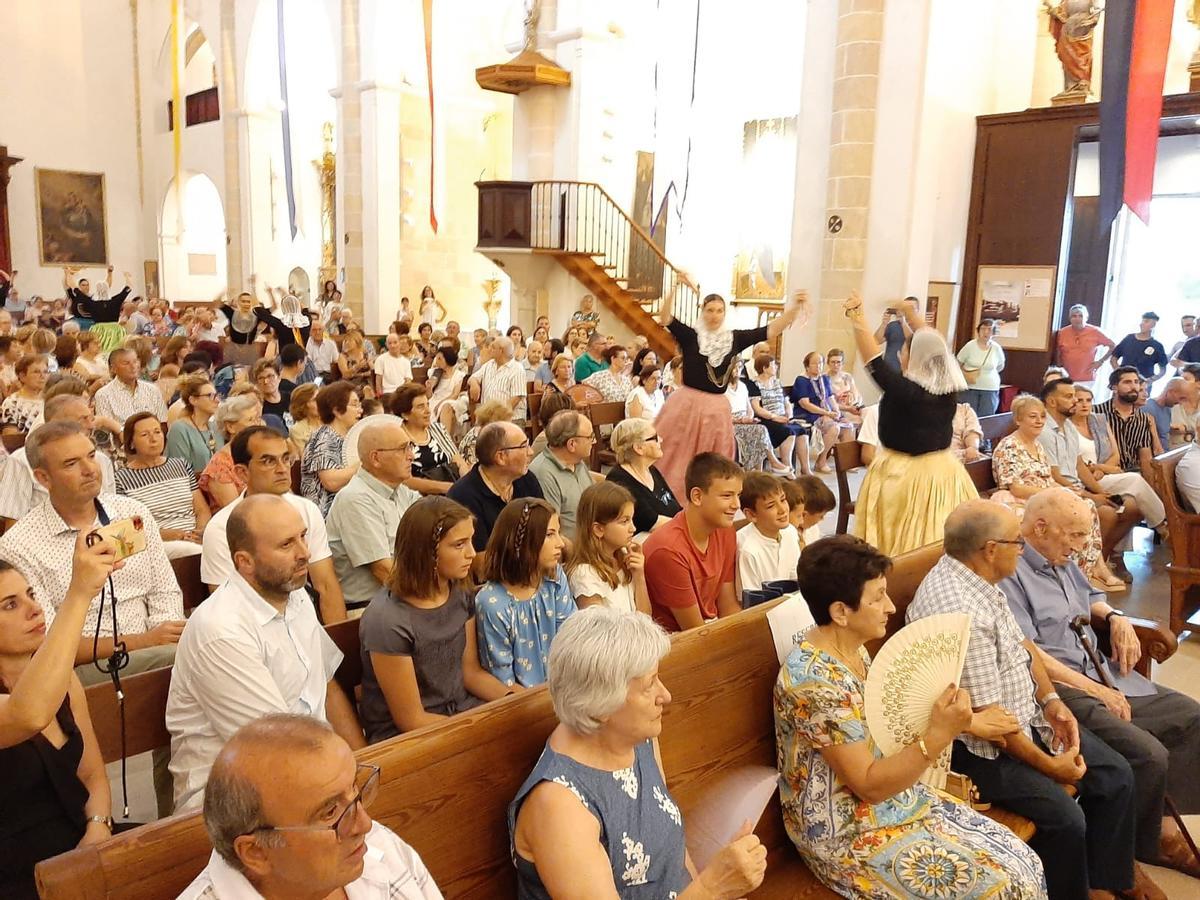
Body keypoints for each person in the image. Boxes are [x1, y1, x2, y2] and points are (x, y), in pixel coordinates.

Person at [775, 534, 1047, 899]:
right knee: (1003, 886)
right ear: (840, 612)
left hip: (894, 798)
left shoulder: (852, 650)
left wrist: (959, 721)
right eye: (878, 597)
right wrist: (941, 732)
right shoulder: (814, 681)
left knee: (1025, 863)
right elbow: (868, 785)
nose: (889, 607)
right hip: (845, 830)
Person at [908, 501, 1149, 899]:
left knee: (1116, 775)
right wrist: (1053, 768)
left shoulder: (981, 579)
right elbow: (995, 727)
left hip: (1029, 715)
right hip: (980, 749)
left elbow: (1025, 646)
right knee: (1065, 819)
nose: (1022, 548)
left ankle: (1106, 883)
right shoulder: (960, 610)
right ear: (990, 548)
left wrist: (1052, 700)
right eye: (1016, 542)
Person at [1000, 489, 1200, 883]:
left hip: (1100, 669)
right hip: (1062, 688)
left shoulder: (1060, 556)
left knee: (1192, 718)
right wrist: (1095, 690)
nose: (1081, 546)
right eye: (1073, 536)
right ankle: (1143, 846)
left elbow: (1090, 595)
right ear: (1040, 528)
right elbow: (1028, 655)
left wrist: (1117, 617)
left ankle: (1157, 819)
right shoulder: (1011, 570)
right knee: (1149, 754)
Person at [509, 606, 767, 899]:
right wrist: (713, 888)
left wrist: (708, 885)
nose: (665, 696)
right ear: (601, 705)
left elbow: (673, 852)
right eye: (648, 686)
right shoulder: (559, 807)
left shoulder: (634, 738)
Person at [168, 495, 364, 812]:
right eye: (286, 545)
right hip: (236, 803)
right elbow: (274, 746)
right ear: (245, 562)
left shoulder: (295, 596)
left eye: (303, 536)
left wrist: (360, 766)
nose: (305, 553)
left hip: (308, 774)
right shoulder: (221, 630)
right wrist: (345, 790)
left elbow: (325, 687)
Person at [181, 713, 443, 899]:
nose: (365, 824)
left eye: (355, 789)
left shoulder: (379, 846)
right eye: (330, 812)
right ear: (256, 852)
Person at [0, 422, 185, 680]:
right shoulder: (19, 546)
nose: (90, 470)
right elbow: (47, 641)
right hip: (85, 667)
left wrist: (166, 633)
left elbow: (164, 589)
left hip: (155, 647)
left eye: (91, 456)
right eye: (71, 464)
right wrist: (146, 641)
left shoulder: (132, 513)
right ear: (43, 478)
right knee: (194, 657)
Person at [0, 532, 120, 899]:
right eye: (9, 605)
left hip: (78, 847)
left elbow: (92, 774)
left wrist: (98, 829)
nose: (34, 610)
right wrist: (79, 593)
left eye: (31, 596)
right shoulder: (40, 694)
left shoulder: (61, 678)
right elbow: (28, 714)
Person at [358, 498, 509, 742]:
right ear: (426, 552)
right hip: (411, 735)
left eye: (471, 541)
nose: (472, 553)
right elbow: (411, 719)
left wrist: (513, 701)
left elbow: (470, 673)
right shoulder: (388, 620)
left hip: (460, 711)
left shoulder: (459, 591)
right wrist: (478, 731)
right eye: (459, 544)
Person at [843, 291, 978, 556]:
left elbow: (872, 360)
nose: (901, 354)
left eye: (905, 349)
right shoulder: (948, 388)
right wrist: (911, 314)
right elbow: (937, 346)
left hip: (905, 475)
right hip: (942, 470)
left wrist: (857, 315)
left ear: (914, 357)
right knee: (934, 533)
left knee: (904, 538)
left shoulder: (905, 391)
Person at [654, 290, 804, 500]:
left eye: (719, 311)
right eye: (710, 310)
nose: (714, 315)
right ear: (702, 312)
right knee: (675, 455)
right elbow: (665, 317)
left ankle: (707, 499)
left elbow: (770, 330)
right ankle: (669, 497)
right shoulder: (691, 336)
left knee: (712, 460)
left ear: (724, 313)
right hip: (686, 405)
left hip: (716, 409)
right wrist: (674, 287)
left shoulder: (734, 338)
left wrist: (794, 309)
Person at [201, 426, 346, 622]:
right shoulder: (221, 528)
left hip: (305, 622)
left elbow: (326, 585)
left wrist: (338, 647)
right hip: (251, 631)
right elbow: (225, 608)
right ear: (242, 472)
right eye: (269, 461)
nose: (282, 469)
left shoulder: (306, 510)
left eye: (286, 459)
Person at [991, 393, 1125, 591]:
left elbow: (1049, 478)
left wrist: (1065, 490)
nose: (1039, 421)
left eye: (1042, 417)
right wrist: (1052, 494)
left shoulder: (1037, 445)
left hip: (1043, 497)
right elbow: (1016, 487)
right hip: (1018, 500)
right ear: (1019, 419)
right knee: (1062, 517)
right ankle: (1060, 575)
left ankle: (1088, 571)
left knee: (1084, 506)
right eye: (1032, 416)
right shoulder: (1009, 446)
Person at [475, 499, 575, 689]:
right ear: (523, 543)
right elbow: (504, 680)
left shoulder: (554, 576)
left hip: (566, 688)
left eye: (558, 533)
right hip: (523, 703)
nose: (561, 543)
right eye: (549, 535)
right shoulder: (492, 603)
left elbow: (571, 635)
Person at [326, 420, 420, 612]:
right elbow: (384, 571)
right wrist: (432, 597)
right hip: (373, 608)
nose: (411, 456)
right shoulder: (355, 498)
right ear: (376, 458)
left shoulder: (401, 490)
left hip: (403, 599)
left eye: (410, 447)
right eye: (403, 449)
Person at [644, 453, 740, 632]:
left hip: (710, 629)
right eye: (727, 496)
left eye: (738, 495)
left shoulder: (725, 530)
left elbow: (728, 606)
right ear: (697, 496)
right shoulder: (668, 550)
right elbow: (694, 631)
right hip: (674, 641)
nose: (736, 504)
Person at [0, 395, 117, 527]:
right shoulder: (21, 460)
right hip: (44, 540)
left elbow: (110, 506)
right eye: (83, 419)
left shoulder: (101, 459)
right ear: (58, 422)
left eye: (91, 418)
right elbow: (13, 521)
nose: (91, 426)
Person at [1069, 384, 1167, 537]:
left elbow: (1116, 455)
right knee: (1134, 479)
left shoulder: (1099, 420)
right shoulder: (1067, 427)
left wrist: (1101, 468)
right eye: (1079, 400)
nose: (1084, 404)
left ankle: (1116, 553)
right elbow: (1074, 462)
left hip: (1103, 473)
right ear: (1071, 403)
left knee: (1131, 504)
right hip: (1083, 479)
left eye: (1088, 400)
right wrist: (1098, 470)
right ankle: (1164, 524)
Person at [117, 412, 210, 557]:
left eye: (157, 432)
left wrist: (200, 532)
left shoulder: (181, 465)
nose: (153, 439)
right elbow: (131, 528)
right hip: (158, 543)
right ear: (131, 442)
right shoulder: (122, 479)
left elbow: (201, 509)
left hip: (195, 537)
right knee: (198, 552)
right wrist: (172, 535)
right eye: (144, 435)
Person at [448, 422, 544, 553]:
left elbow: (545, 527)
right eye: (524, 446)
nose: (531, 452)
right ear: (501, 457)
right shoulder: (463, 495)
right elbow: (479, 560)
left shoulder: (527, 479)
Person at [566, 482, 651, 616]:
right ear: (599, 529)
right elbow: (600, 630)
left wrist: (639, 576)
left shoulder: (625, 558)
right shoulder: (584, 573)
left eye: (632, 520)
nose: (633, 529)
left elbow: (646, 619)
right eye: (624, 521)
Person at [528, 410, 599, 540]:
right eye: (590, 437)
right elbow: (552, 531)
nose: (594, 442)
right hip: (574, 553)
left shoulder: (577, 462)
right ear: (572, 444)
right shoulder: (543, 474)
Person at [606, 418, 681, 534]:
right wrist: (687, 526)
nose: (660, 440)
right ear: (638, 448)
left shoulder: (651, 470)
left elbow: (675, 507)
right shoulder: (619, 480)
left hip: (672, 532)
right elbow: (650, 522)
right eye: (654, 438)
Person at [389, 383, 465, 493]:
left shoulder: (438, 429)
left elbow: (459, 461)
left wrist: (467, 483)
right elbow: (406, 481)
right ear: (405, 414)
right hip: (422, 499)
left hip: (453, 489)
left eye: (427, 405)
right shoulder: (399, 438)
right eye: (420, 407)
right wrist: (447, 487)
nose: (428, 411)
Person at [300, 381, 362, 515]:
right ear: (337, 411)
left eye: (359, 404)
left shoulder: (349, 436)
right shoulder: (324, 438)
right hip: (327, 515)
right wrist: (365, 464)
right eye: (354, 404)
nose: (360, 410)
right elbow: (331, 482)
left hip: (350, 508)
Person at [735, 472, 801, 597]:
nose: (782, 510)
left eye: (783, 500)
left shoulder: (790, 532)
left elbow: (796, 579)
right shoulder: (747, 550)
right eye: (771, 506)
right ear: (751, 515)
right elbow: (750, 602)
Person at [789, 351, 853, 473]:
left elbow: (830, 397)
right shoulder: (802, 380)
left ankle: (846, 463)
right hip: (807, 414)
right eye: (815, 363)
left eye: (821, 363)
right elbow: (805, 404)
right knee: (834, 428)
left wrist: (836, 410)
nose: (818, 366)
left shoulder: (824, 378)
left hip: (825, 412)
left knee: (847, 426)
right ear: (807, 365)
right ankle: (821, 461)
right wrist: (826, 413)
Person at [748, 353, 811, 475]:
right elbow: (756, 408)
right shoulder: (754, 384)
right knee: (789, 432)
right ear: (764, 368)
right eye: (773, 365)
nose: (776, 368)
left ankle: (805, 468)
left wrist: (788, 414)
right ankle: (787, 468)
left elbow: (785, 401)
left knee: (802, 431)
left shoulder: (776, 382)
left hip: (782, 417)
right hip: (766, 419)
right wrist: (775, 417)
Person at [199, 394, 263, 510]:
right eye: (250, 420)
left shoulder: (262, 452)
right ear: (230, 427)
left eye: (257, 418)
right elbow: (235, 510)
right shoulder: (220, 465)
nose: (257, 424)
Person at [726, 357, 789, 475]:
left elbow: (749, 408)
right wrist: (740, 420)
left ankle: (758, 472)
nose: (737, 370)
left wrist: (749, 418)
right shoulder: (723, 389)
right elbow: (722, 414)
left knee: (759, 429)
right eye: (735, 367)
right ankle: (773, 463)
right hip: (731, 422)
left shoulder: (743, 386)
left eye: (740, 367)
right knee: (761, 430)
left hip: (745, 419)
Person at [1094, 366, 1162, 474]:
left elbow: (1145, 457)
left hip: (1134, 471)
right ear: (1114, 387)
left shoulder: (1142, 418)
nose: (1134, 386)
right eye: (1127, 382)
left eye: (1136, 382)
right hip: (1105, 471)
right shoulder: (1096, 413)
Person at [164, 374, 223, 474]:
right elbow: (180, 471)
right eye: (210, 396)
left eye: (216, 395)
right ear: (193, 400)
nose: (217, 401)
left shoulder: (215, 427)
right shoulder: (179, 429)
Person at [93, 347, 168, 424]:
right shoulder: (103, 395)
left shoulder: (152, 390)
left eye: (135, 361)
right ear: (113, 368)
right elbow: (106, 430)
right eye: (126, 363)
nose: (133, 366)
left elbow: (163, 421)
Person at [470, 335, 528, 425]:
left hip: (510, 419)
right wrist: (474, 384)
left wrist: (496, 418)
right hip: (488, 418)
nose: (490, 350)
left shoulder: (517, 369)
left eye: (493, 347)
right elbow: (473, 377)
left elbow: (515, 399)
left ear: (501, 351)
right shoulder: (489, 364)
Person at [957, 319, 1006, 415]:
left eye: (990, 329)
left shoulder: (996, 348)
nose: (986, 332)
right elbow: (958, 363)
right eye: (983, 329)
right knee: (968, 415)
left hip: (990, 388)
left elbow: (1000, 366)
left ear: (994, 332)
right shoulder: (970, 346)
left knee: (986, 416)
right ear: (978, 331)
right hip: (970, 387)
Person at [1055, 304, 1115, 382]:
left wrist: (1101, 361)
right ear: (1070, 318)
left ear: (1086, 318)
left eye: (1080, 316)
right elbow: (1057, 351)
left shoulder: (1095, 331)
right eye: (1074, 316)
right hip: (1065, 378)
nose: (1077, 319)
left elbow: (1113, 346)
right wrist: (1059, 365)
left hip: (1087, 378)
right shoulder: (1062, 333)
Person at [1111, 312, 1168, 387]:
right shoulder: (1129, 339)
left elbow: (1163, 370)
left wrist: (1150, 380)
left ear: (1153, 324)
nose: (1141, 324)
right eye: (1142, 321)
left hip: (1143, 385)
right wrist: (1120, 374)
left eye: (1146, 321)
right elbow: (1113, 359)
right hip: (1124, 382)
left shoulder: (1157, 346)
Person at [781, 474, 836, 548]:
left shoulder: (813, 529)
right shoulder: (785, 536)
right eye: (821, 516)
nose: (822, 519)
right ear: (803, 515)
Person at [0, 354, 48, 433]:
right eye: (36, 372)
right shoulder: (12, 403)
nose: (42, 376)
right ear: (22, 376)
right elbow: (11, 437)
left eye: (45, 372)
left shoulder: (51, 400)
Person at [1142, 377, 1192, 449]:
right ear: (1170, 392)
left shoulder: (1168, 409)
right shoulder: (1147, 408)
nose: (1180, 403)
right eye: (1181, 398)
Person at [872, 296, 918, 369]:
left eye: (911, 308)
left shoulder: (919, 328)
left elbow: (912, 342)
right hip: (889, 370)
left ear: (917, 310)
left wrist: (903, 323)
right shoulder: (893, 325)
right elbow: (876, 341)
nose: (907, 311)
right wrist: (884, 323)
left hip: (908, 372)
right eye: (906, 308)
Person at [825, 347, 863, 424]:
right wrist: (848, 408)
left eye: (838, 362)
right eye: (833, 362)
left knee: (867, 416)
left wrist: (853, 398)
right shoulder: (824, 379)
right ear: (828, 363)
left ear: (842, 363)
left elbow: (855, 393)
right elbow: (827, 402)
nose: (836, 365)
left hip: (850, 408)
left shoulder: (847, 377)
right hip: (834, 410)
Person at [373, 332, 414, 397]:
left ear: (399, 343)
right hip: (387, 394)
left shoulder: (406, 362)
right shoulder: (380, 359)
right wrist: (380, 397)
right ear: (386, 345)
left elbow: (408, 381)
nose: (393, 345)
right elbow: (378, 382)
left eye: (395, 342)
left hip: (402, 394)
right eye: (390, 343)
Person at [287, 382, 321, 456]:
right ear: (303, 405)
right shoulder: (297, 430)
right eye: (315, 400)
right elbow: (306, 459)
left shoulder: (332, 420)